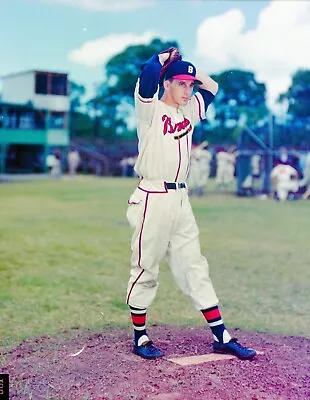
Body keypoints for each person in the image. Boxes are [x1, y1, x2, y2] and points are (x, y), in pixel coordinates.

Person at [126, 47, 256, 360]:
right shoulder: (150, 110)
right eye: (181, 83)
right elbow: (146, 80)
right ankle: (140, 337)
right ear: (166, 84)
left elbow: (212, 88)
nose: (188, 89)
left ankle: (221, 335)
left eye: (189, 85)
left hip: (181, 199)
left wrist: (190, 71)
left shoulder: (189, 112)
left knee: (195, 266)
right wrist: (164, 61)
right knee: (146, 267)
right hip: (152, 196)